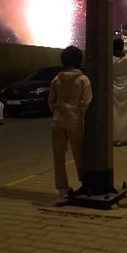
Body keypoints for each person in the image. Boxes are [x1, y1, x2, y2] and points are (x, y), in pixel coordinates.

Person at [47, 46, 92, 198]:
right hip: (74, 120)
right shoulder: (83, 79)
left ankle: (62, 188)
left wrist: (58, 111)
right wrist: (78, 112)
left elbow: (51, 101)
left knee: (58, 155)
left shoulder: (57, 79)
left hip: (57, 120)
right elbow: (87, 101)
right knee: (79, 152)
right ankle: (84, 181)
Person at [112, 38, 127, 146]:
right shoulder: (126, 58)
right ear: (122, 47)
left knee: (115, 113)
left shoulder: (110, 60)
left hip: (114, 87)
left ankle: (116, 138)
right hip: (126, 87)